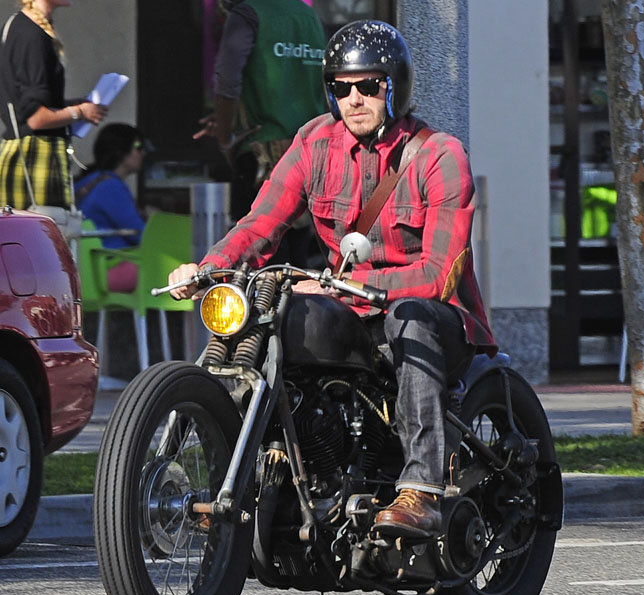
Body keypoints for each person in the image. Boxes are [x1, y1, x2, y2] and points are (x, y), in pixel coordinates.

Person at [169, 20, 497, 538]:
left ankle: (422, 493)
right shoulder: (314, 143)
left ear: (396, 87)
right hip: (346, 309)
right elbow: (261, 224)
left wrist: (350, 287)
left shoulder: (439, 155)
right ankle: (244, 469)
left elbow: (440, 273)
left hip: (433, 319)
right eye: (341, 88)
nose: (354, 99)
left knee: (410, 318)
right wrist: (210, 268)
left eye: (369, 86)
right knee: (260, 305)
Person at [195, 0, 327, 264]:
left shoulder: (248, 14)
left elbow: (227, 82)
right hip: (311, 156)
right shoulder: (309, 17)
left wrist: (224, 136)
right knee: (298, 260)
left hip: (262, 157)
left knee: (256, 260)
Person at [0, 0, 107, 210]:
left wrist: (69, 106)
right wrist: (79, 112)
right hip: (34, 158)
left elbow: (28, 104)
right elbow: (36, 118)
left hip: (23, 153)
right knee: (44, 235)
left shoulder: (21, 25)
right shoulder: (32, 35)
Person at [75, 123, 147, 292]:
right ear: (121, 151)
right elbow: (140, 235)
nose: (143, 152)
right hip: (107, 268)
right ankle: (196, 318)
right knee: (185, 270)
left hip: (85, 269)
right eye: (138, 146)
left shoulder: (88, 182)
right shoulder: (110, 186)